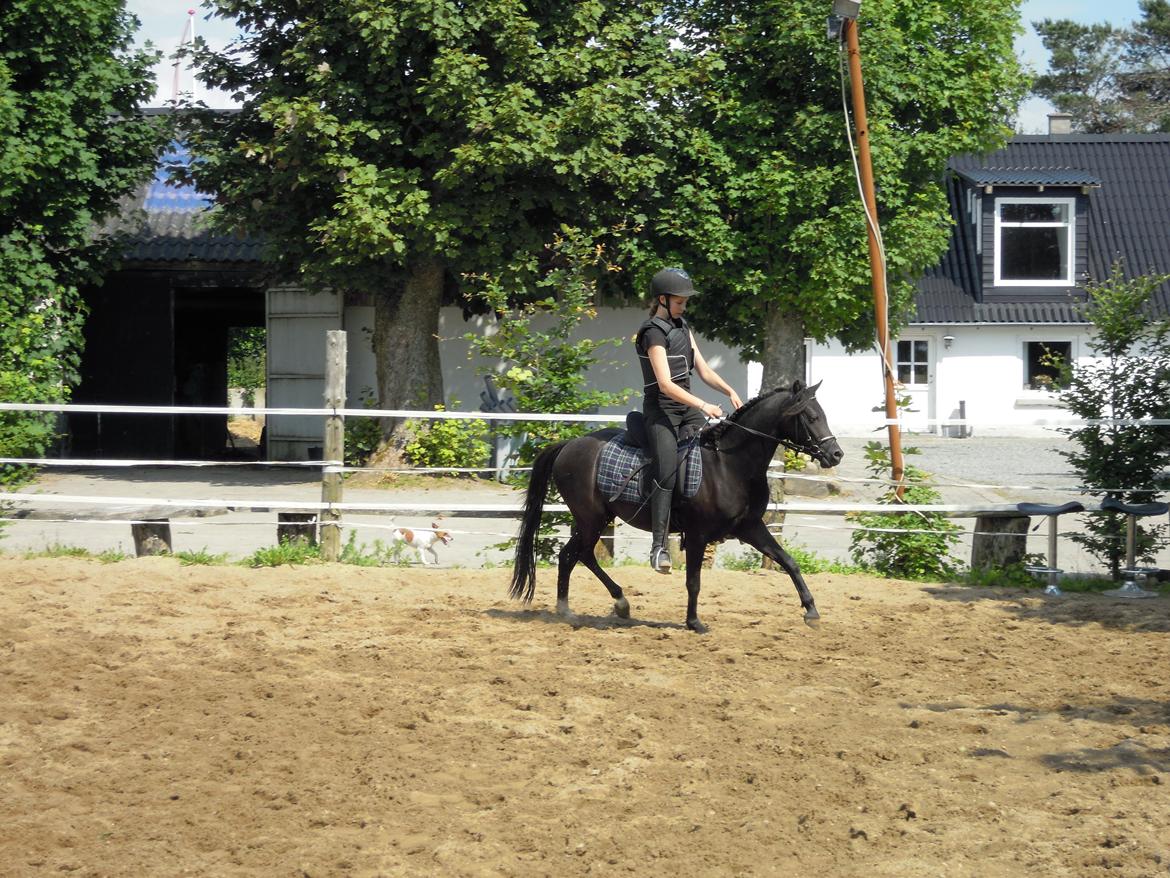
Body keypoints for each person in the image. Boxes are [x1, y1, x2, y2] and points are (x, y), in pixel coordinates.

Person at [636, 267, 743, 573]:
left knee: (712, 455)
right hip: (661, 411)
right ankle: (658, 548)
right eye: (680, 302)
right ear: (662, 299)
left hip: (687, 410)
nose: (684, 307)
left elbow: (704, 370)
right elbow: (666, 384)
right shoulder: (652, 333)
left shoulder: (683, 327)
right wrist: (704, 404)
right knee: (667, 472)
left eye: (685, 302)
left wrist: (729, 389)